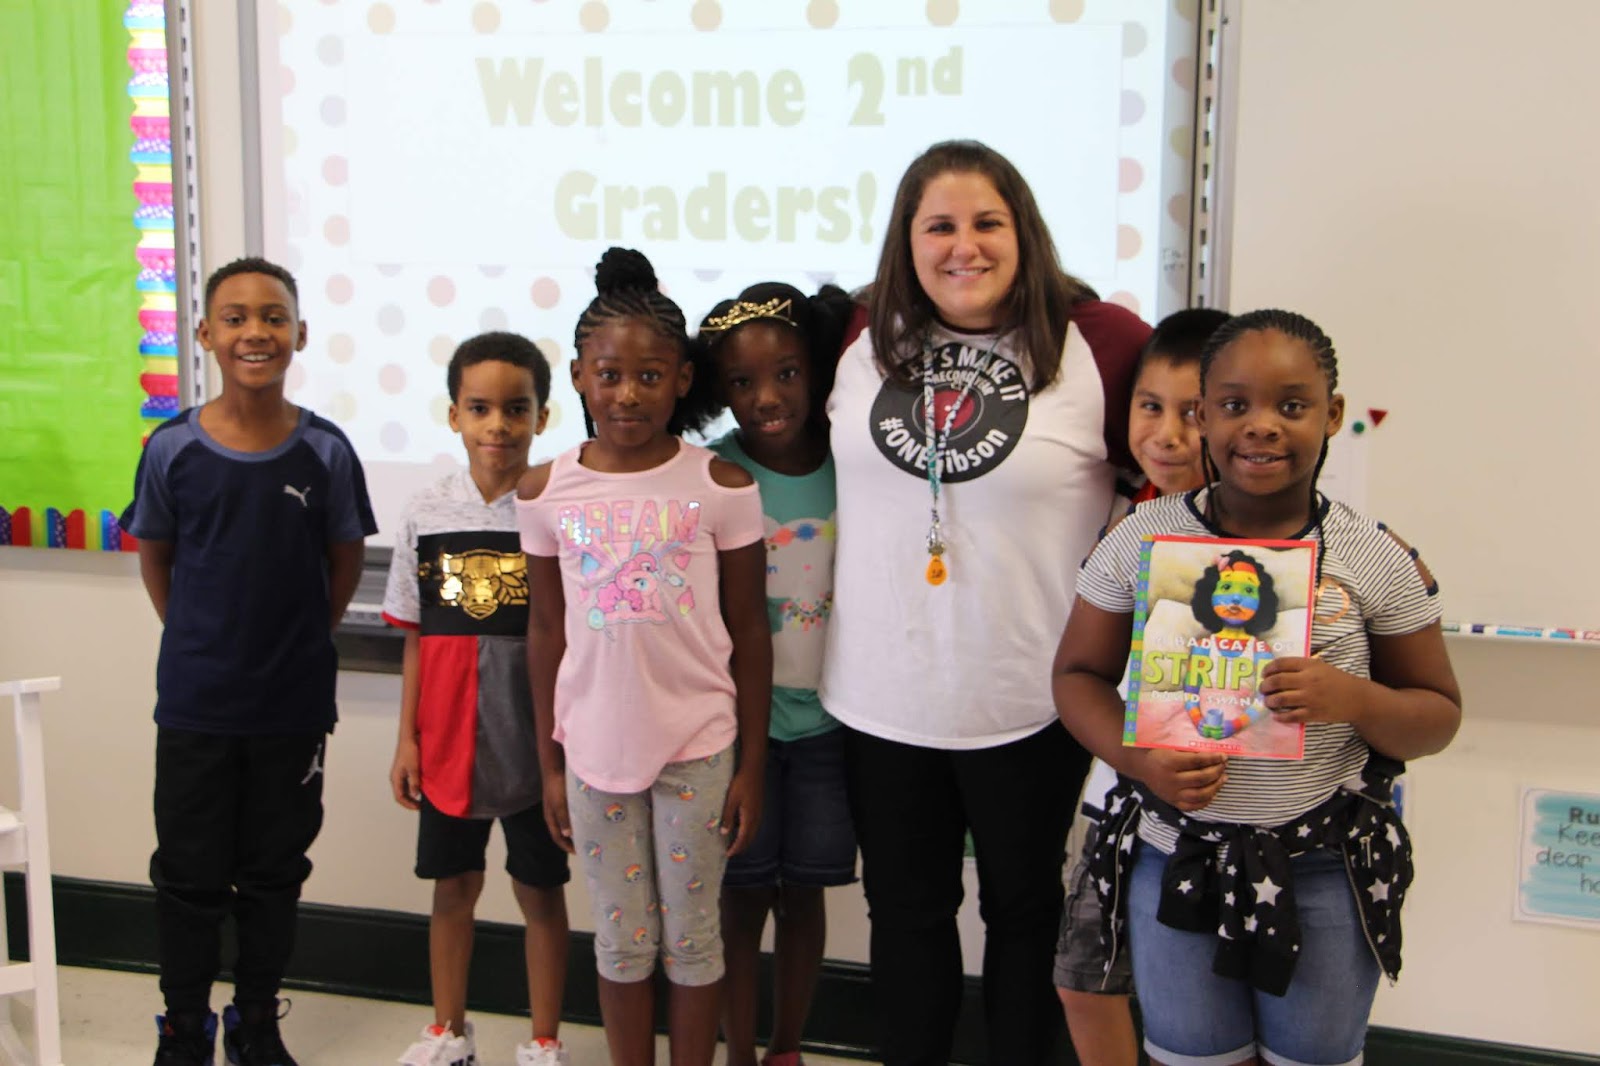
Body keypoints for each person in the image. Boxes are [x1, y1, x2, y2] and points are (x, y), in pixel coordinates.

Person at [1053, 309, 1462, 1066]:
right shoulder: (1141, 542)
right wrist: (1137, 759)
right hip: (1174, 856)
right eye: (1236, 405)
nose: (1262, 427)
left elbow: (1436, 717)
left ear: (1332, 414)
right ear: (1203, 415)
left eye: (1293, 405)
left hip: (1323, 868)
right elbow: (1076, 676)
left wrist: (1353, 699)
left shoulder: (1373, 558)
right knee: (1191, 1057)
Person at [821, 139, 1152, 1065]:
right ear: (907, 241)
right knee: (906, 917)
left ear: (1024, 232)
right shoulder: (857, 337)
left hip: (1032, 698)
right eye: (939, 226)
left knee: (1026, 913)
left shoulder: (1103, 342)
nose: (963, 247)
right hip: (881, 697)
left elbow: (1177, 485)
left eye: (985, 223)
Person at [517, 247, 772, 1066]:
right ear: (581, 377)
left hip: (698, 750)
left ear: (682, 380)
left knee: (694, 944)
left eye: (650, 376)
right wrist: (551, 766)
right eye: (609, 375)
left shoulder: (723, 486)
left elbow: (751, 635)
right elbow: (546, 634)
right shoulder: (542, 491)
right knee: (623, 944)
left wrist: (752, 766)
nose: (628, 394)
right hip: (593, 756)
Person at [121, 256, 377, 1066]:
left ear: (300, 334)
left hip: (292, 708)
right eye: (234, 317)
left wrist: (299, 641)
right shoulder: (170, 450)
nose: (254, 332)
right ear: (204, 333)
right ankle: (186, 1026)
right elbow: (157, 560)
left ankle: (256, 1021)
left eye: (272, 316)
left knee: (274, 874)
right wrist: (201, 640)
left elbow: (342, 566)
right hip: (196, 706)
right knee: (187, 878)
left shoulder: (327, 452)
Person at [382, 332, 571, 1066]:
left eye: (516, 408)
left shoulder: (556, 503)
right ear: (454, 414)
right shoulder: (426, 511)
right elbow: (416, 637)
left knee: (539, 893)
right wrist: (408, 739)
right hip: (449, 743)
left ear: (542, 416)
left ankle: (544, 1041)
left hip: (533, 742)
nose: (499, 425)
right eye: (481, 408)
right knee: (453, 887)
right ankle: (448, 1032)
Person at [690, 282, 857, 1066]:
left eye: (786, 374)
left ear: (816, 369)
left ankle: (788, 1047)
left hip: (829, 724)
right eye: (742, 382)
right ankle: (740, 1052)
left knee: (805, 893)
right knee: (741, 896)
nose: (766, 397)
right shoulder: (712, 473)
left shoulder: (851, 460)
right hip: (736, 725)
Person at [1054, 307, 1225, 1066]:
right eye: (1150, 406)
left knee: (1204, 1006)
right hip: (1120, 792)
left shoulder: (1266, 531)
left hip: (1227, 803)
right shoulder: (1127, 514)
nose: (1168, 432)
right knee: (1086, 981)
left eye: (1194, 412)